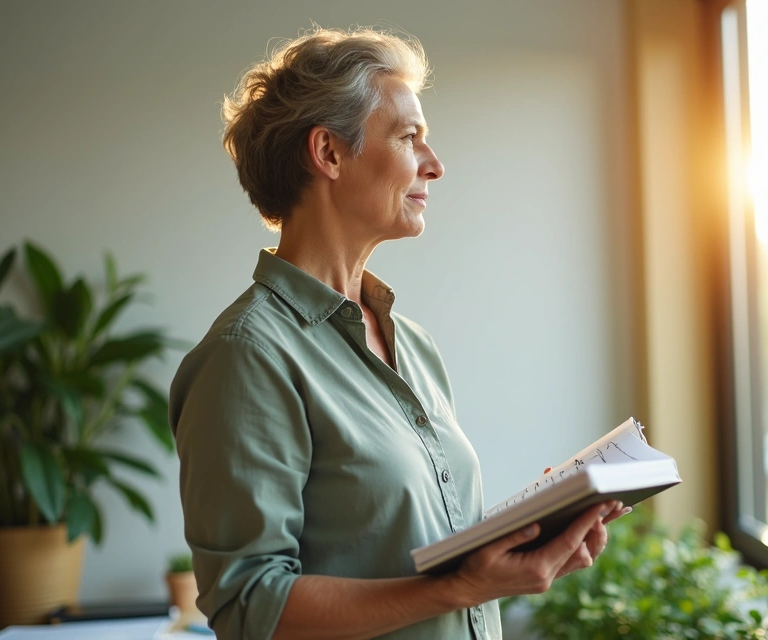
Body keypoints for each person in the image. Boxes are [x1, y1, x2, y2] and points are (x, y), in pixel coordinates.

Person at [169, 26, 629, 640]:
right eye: (409, 137)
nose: (434, 166)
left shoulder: (411, 342)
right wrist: (464, 586)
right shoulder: (246, 357)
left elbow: (409, 554)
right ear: (329, 153)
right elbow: (252, 608)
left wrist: (526, 544)